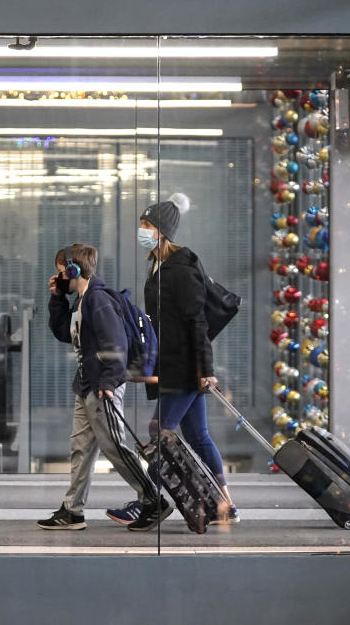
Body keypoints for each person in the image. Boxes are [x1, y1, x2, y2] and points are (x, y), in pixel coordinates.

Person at [111, 193, 239, 525]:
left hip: (184, 366)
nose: (142, 229)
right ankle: (226, 505)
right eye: (142, 223)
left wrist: (206, 370)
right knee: (197, 436)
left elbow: (197, 321)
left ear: (163, 231)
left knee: (160, 432)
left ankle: (149, 501)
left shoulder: (181, 267)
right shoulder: (159, 265)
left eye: (147, 224)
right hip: (173, 364)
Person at [37, 243, 171, 532]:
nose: (58, 276)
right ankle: (72, 511)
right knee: (80, 449)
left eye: (61, 272)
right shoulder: (82, 301)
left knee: (114, 447)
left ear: (74, 270)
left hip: (102, 387)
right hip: (86, 385)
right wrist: (58, 298)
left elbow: (116, 344)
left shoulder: (98, 300)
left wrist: (109, 382)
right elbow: (64, 333)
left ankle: (152, 500)